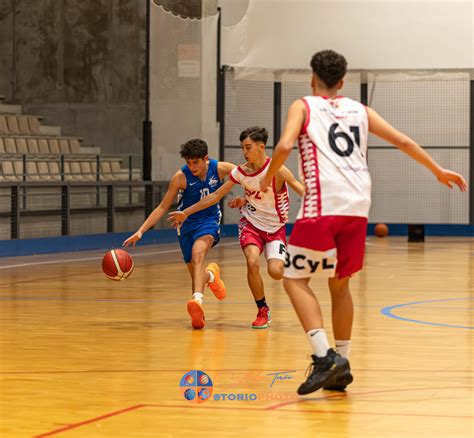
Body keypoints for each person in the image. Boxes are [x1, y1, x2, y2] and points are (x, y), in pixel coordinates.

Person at [259, 50, 468, 395]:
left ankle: (324, 357)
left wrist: (268, 177)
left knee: (295, 280)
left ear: (312, 78)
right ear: (342, 82)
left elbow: (283, 144)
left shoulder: (303, 105)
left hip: (323, 204)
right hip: (358, 205)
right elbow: (401, 139)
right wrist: (437, 170)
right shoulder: (360, 109)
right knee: (340, 285)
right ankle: (343, 364)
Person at [169, 126, 305, 329]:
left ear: (261, 147)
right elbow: (215, 196)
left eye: (248, 147)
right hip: (251, 223)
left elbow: (302, 190)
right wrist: (187, 212)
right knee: (252, 261)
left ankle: (294, 266)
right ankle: (262, 309)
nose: (244, 152)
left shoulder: (278, 171)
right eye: (243, 147)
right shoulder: (240, 172)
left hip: (275, 228)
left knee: (276, 271)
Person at [123, 139, 236, 330]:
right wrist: (141, 231)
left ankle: (198, 302)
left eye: (196, 163)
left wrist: (251, 194)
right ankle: (211, 277)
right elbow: (162, 207)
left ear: (206, 159)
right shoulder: (180, 178)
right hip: (185, 225)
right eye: (188, 163)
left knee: (198, 254)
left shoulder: (220, 168)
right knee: (196, 275)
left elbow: (245, 175)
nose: (192, 167)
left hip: (208, 221)